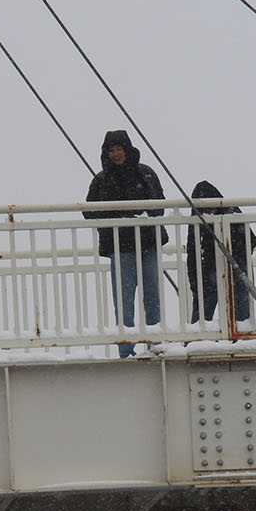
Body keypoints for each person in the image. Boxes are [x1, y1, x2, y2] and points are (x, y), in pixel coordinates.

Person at [84, 130, 165, 357]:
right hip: (120, 246)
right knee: (124, 299)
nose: (116, 154)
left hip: (147, 242)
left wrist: (141, 214)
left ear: (127, 149)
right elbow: (88, 211)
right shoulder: (102, 179)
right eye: (111, 150)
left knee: (152, 296)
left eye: (119, 149)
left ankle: (155, 344)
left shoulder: (145, 174)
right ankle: (126, 349)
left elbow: (159, 204)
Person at [184, 181, 256, 326]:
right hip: (209, 263)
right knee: (204, 301)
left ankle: (240, 333)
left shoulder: (231, 211)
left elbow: (251, 241)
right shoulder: (197, 217)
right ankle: (198, 336)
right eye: (204, 209)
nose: (209, 213)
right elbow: (192, 252)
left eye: (211, 208)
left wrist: (234, 251)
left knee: (240, 304)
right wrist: (195, 285)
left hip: (236, 261)